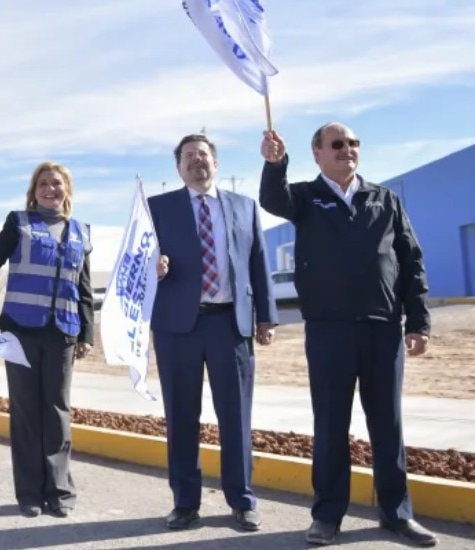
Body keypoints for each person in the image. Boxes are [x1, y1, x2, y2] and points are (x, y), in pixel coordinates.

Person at [259, 123, 436, 547]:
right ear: (317, 153)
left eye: (353, 143)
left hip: (382, 330)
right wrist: (274, 164)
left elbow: (410, 260)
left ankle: (397, 514)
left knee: (388, 428)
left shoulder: (383, 198)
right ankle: (327, 515)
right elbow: (271, 199)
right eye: (337, 144)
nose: (347, 150)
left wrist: (418, 321)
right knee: (332, 426)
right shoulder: (304, 196)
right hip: (328, 331)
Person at [147, 135, 277, 531]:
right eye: (188, 156)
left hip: (230, 324)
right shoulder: (157, 208)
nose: (196, 161)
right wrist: (154, 265)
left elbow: (258, 261)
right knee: (182, 416)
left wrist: (266, 316)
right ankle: (185, 503)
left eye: (203, 155)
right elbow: (139, 258)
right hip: (176, 327)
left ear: (215, 163)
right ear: (178, 168)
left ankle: (242, 499)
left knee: (236, 416)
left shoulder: (244, 206)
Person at [0, 161, 94, 519]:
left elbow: (84, 289)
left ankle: (59, 491)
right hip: (21, 330)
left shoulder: (82, 231)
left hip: (62, 332)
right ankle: (30, 492)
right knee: (27, 412)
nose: (50, 189)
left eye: (57, 183)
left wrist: (87, 333)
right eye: (43, 184)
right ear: (33, 191)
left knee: (57, 412)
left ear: (67, 190)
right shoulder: (19, 222)